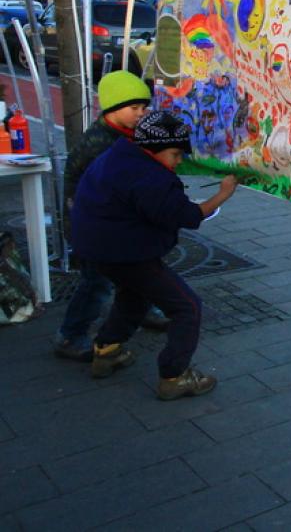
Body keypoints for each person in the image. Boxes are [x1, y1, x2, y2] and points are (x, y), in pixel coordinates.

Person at [69, 111, 238, 400]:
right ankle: (174, 375)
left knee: (133, 297)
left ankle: (106, 351)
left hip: (96, 246)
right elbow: (186, 215)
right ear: (153, 149)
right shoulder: (150, 177)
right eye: (174, 154)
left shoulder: (120, 154)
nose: (179, 160)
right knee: (187, 308)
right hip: (126, 252)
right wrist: (223, 194)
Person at [53, 71, 169, 362]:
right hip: (92, 227)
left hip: (115, 222)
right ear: (112, 108)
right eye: (134, 109)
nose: (141, 115)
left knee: (139, 269)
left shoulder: (125, 135)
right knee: (97, 282)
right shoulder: (100, 145)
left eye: (144, 109)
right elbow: (117, 189)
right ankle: (71, 335)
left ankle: (141, 310)